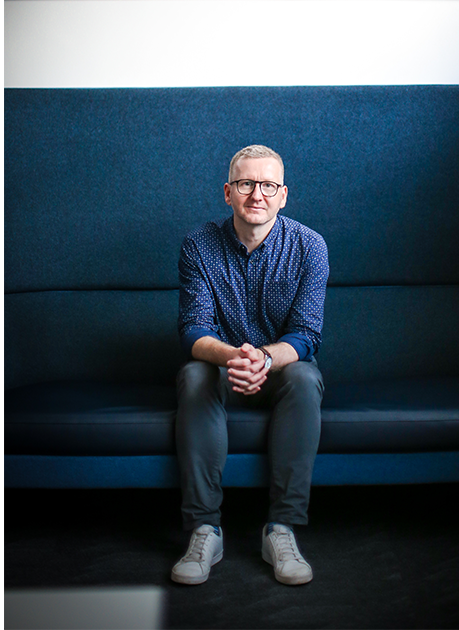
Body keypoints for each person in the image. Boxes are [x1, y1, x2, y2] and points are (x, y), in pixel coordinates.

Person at [170, 144, 328, 587]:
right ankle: (205, 530)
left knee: (305, 375)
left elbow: (306, 335)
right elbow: (192, 330)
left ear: (283, 195)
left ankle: (281, 529)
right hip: (222, 369)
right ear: (228, 192)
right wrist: (237, 356)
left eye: (268, 185)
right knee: (194, 373)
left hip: (280, 372)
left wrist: (263, 357)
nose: (256, 194)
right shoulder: (198, 244)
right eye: (245, 184)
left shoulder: (310, 246)